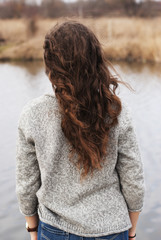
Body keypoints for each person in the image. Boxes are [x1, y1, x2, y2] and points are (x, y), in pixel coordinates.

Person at [15, 20, 145, 240]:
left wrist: (32, 230)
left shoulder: (32, 114)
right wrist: (131, 231)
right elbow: (133, 179)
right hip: (112, 228)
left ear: (50, 66)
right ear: (96, 60)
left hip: (54, 228)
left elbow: (26, 184)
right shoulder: (116, 111)